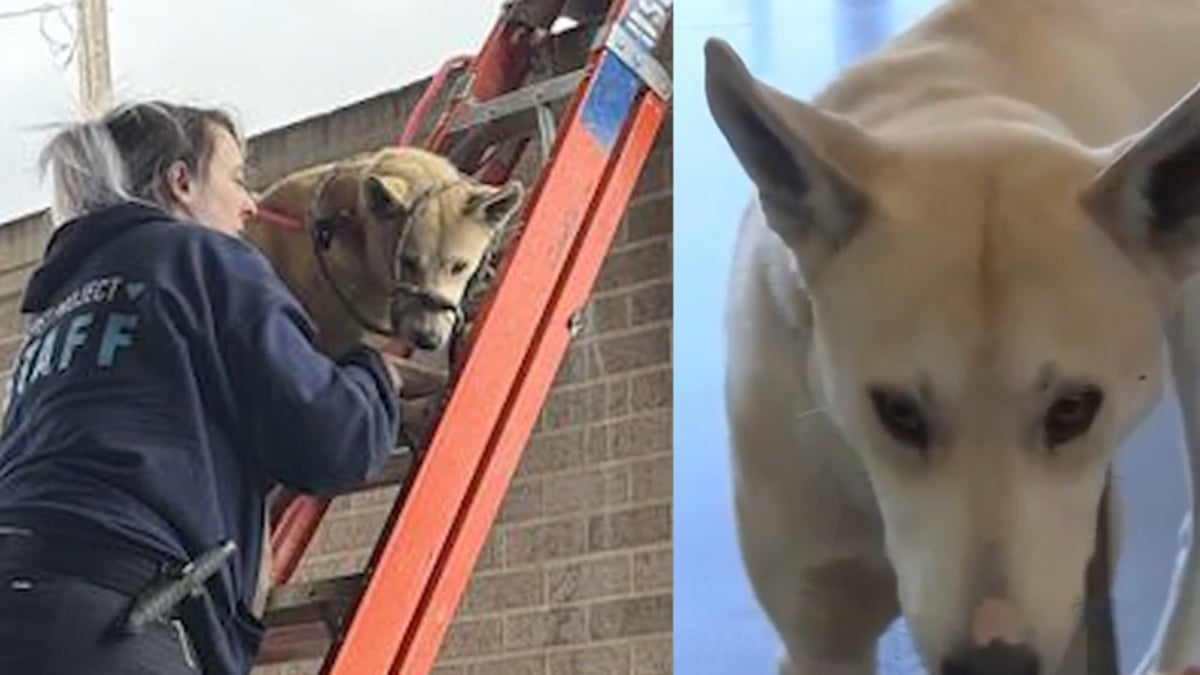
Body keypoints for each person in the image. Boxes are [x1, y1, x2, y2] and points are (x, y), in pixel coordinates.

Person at [0, 100, 402, 674]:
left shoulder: (55, 312)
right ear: (181, 182)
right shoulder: (203, 256)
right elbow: (330, 439)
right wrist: (372, 372)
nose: (251, 204)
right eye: (236, 178)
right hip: (116, 615)